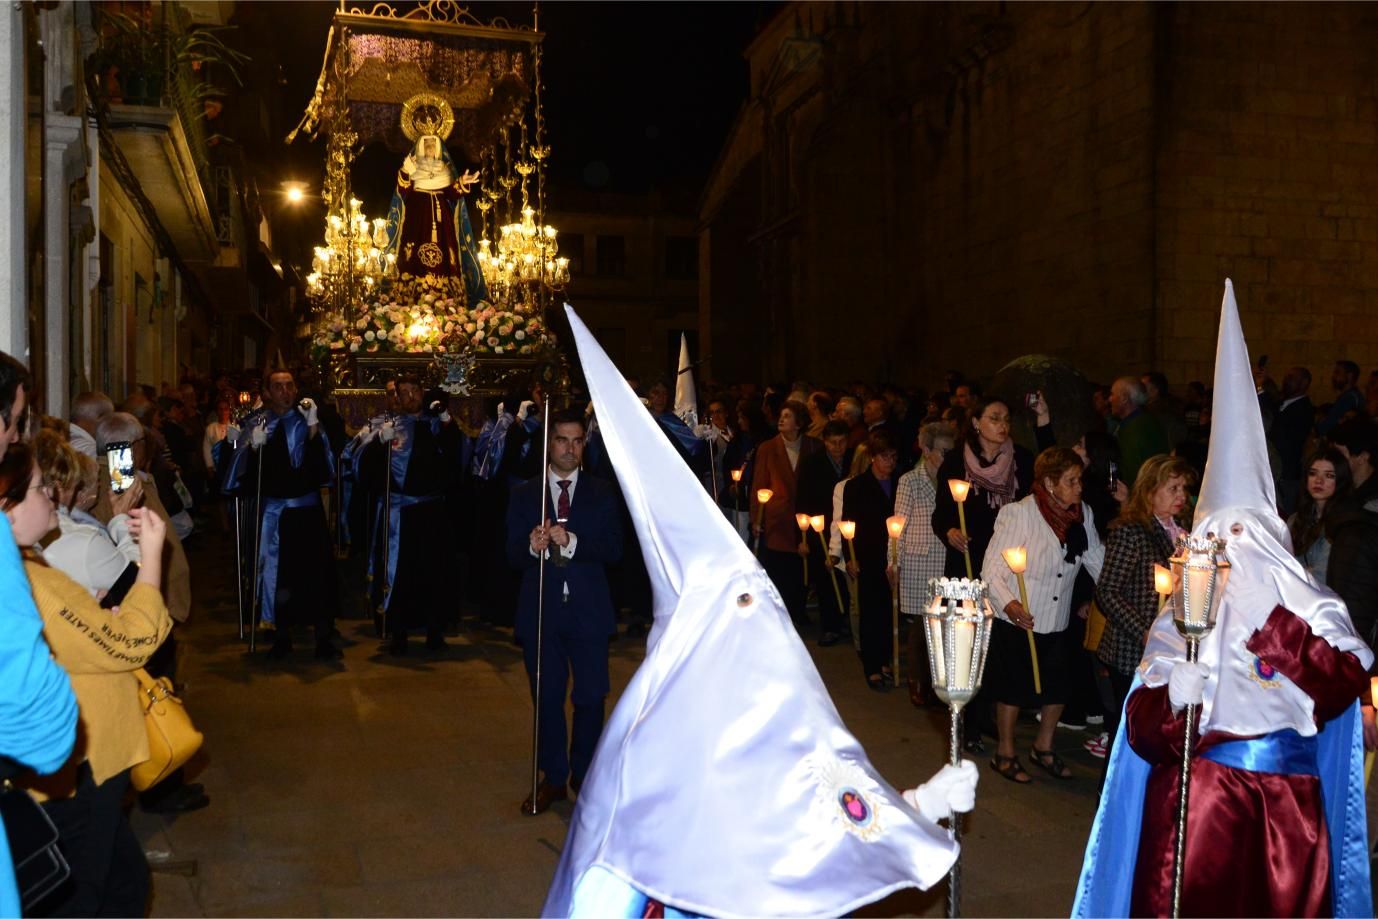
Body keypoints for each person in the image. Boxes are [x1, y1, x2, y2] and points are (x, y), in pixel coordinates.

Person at [544, 306, 978, 917]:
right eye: (744, 606)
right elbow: (609, 879)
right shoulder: (651, 745)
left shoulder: (754, 703)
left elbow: (810, 805)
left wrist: (916, 806)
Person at [1076, 281, 1373, 918]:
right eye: (1218, 537)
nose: (1230, 552)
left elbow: (1343, 682)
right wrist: (1170, 700)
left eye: (1244, 537)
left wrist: (1274, 624)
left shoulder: (1304, 600)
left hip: (1286, 809)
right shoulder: (1183, 606)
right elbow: (1146, 731)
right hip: (1194, 802)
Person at [2, 443, 172, 917]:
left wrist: (94, 620)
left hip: (80, 765)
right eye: (39, 490)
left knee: (125, 883)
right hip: (79, 768)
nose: (52, 498)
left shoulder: (30, 566)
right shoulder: (34, 581)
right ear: (7, 509)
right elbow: (135, 642)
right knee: (84, 894)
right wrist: (151, 555)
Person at [507, 410, 622, 814]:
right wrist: (529, 546)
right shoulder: (526, 493)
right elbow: (507, 554)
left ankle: (584, 772)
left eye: (576, 441)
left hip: (589, 611)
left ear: (584, 444)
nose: (569, 449)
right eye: (561, 440)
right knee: (548, 697)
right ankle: (553, 777)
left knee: (591, 696)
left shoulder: (603, 491)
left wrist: (573, 542)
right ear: (549, 444)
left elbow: (615, 549)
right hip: (542, 612)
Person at [982, 447, 1106, 784]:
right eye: (1071, 480)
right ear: (1050, 483)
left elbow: (1096, 560)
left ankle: (1043, 746)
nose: (1079, 487)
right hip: (1018, 617)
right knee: (1013, 689)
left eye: (1079, 479)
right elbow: (991, 572)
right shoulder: (1018, 514)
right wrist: (1010, 604)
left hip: (1057, 618)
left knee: (1058, 688)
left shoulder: (1083, 516)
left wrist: (1113, 587)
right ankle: (1005, 752)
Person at [222, 369, 341, 660]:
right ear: (267, 392)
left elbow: (324, 468)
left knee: (317, 574)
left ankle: (323, 635)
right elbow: (238, 474)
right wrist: (245, 447)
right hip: (274, 513)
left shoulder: (308, 419)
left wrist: (314, 430)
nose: (285, 392)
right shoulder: (256, 422)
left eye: (289, 386)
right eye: (278, 387)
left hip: (307, 512)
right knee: (278, 576)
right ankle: (281, 634)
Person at [1092, 455, 1196, 762]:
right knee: (1127, 730)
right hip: (1132, 649)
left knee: (1157, 729)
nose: (1182, 495)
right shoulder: (1132, 531)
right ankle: (1111, 796)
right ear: (1150, 490)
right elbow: (1108, 592)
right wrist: (1146, 631)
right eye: (1173, 488)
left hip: (1172, 647)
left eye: (1184, 488)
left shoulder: (1185, 531)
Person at [356, 378, 461, 654]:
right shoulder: (386, 426)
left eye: (414, 391)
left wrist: (448, 423)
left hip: (431, 513)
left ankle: (434, 631)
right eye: (404, 393)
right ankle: (398, 630)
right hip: (399, 515)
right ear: (396, 398)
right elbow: (363, 469)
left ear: (422, 393)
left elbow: (456, 459)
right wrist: (380, 442)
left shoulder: (437, 424)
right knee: (400, 574)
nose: (410, 396)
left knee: (433, 573)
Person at [383, 98, 488, 307]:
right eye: (426, 143)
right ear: (421, 146)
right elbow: (403, 191)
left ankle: (447, 298)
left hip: (442, 220)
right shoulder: (412, 166)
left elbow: (450, 194)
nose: (430, 147)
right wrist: (405, 172)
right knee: (412, 251)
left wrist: (462, 183)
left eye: (433, 143)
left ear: (438, 147)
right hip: (416, 216)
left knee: (446, 252)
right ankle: (410, 295)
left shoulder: (445, 169)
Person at [34, 432, 142, 597]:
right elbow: (137, 584)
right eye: (76, 485)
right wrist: (121, 519)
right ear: (58, 488)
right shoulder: (82, 540)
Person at [895, 422, 955, 706]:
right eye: (943, 451)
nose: (947, 457)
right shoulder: (910, 480)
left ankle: (938, 682)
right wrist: (892, 560)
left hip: (946, 558)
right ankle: (916, 679)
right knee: (921, 626)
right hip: (918, 559)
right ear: (927, 450)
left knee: (943, 625)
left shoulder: (953, 480)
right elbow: (899, 523)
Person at [749, 400, 820, 625]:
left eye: (787, 416)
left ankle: (798, 611)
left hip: (803, 517)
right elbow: (759, 484)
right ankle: (779, 613)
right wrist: (756, 518)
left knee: (801, 568)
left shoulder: (812, 447)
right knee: (779, 567)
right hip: (777, 517)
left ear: (799, 423)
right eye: (781, 415)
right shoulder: (768, 448)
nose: (781, 419)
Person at [841, 430, 901, 691]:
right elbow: (848, 522)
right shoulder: (856, 485)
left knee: (890, 609)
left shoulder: (900, 483)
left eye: (893, 457)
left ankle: (885, 659)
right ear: (873, 458)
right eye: (885, 457)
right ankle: (872, 665)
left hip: (893, 554)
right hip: (867, 553)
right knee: (870, 611)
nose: (890, 462)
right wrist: (849, 556)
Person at [794, 419, 852, 646]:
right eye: (833, 443)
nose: (838, 447)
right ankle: (830, 625)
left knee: (847, 574)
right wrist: (802, 536)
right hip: (821, 528)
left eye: (842, 442)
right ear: (825, 443)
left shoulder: (852, 461)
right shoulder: (812, 464)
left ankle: (846, 617)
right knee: (826, 579)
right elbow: (802, 500)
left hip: (846, 525)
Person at [1287, 447, 1354, 584]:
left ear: (1340, 481)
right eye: (1313, 473)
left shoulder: (1346, 522)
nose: (1318, 481)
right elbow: (1281, 567)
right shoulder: (1295, 519)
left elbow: (1322, 576)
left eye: (1329, 475)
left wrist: (1299, 571)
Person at [1108, 376, 1169, 487]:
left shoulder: (1134, 429)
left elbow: (1131, 472)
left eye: (1112, 394)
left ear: (1124, 398)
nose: (1110, 399)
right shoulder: (1145, 420)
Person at [1270, 366, 1314, 515]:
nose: (1286, 381)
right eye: (1286, 378)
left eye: (1292, 379)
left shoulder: (1302, 409)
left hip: (1286, 473)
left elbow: (1285, 441)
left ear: (1304, 383)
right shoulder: (1283, 404)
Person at [1330, 418, 1378, 510]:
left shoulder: (1372, 504)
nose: (1332, 460)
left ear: (1362, 457)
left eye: (1339, 454)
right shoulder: (1342, 486)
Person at [1317, 359, 1364, 436]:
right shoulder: (1349, 396)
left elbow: (1325, 427)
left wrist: (1320, 421)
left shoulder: (1349, 398)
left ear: (1349, 376)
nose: (1333, 376)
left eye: (1337, 372)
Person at [68, 392, 113, 459]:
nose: (110, 426)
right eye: (109, 420)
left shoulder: (68, 436)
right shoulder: (79, 445)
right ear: (101, 418)